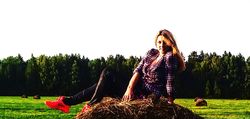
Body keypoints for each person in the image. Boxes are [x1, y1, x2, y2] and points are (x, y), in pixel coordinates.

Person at [45, 29, 185, 113]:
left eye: (164, 42)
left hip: (145, 95)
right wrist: (129, 88)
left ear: (170, 43)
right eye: (159, 41)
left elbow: (169, 81)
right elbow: (138, 71)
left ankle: (90, 105)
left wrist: (170, 103)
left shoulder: (169, 58)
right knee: (102, 83)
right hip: (135, 88)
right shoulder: (151, 53)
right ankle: (66, 102)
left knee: (108, 73)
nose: (161, 45)